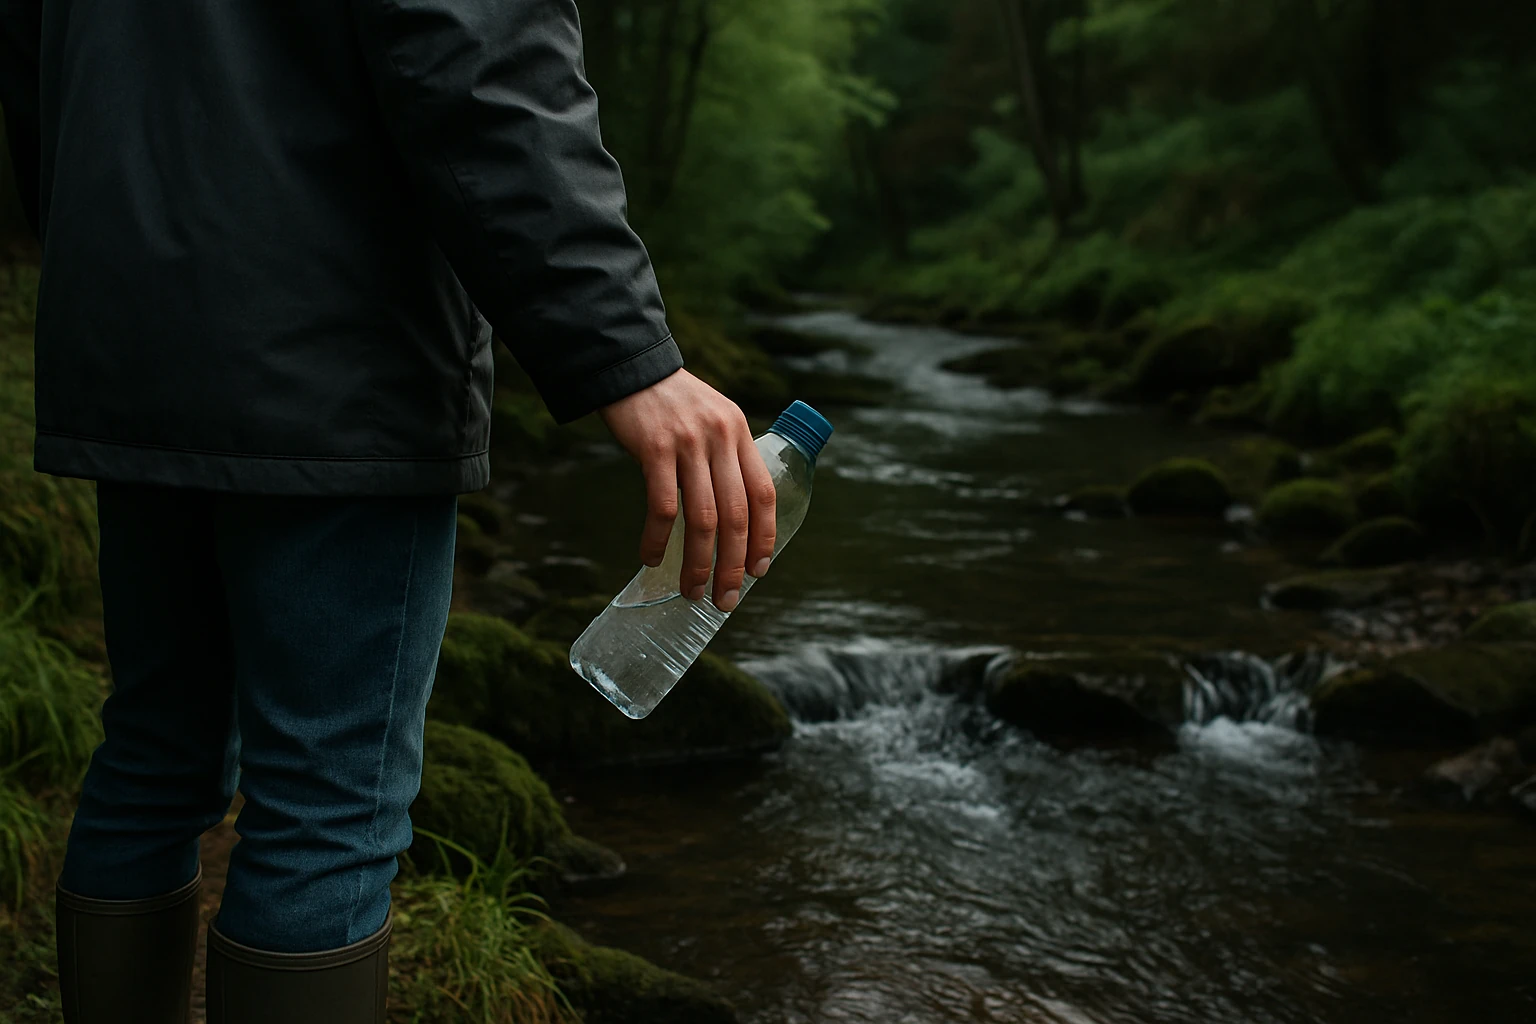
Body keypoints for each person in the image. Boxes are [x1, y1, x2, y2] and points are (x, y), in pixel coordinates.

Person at [0, 0, 777, 1020]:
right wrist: (626, 350)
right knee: (328, 805)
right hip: (338, 361)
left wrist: (109, 247)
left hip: (133, 324)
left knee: (154, 752)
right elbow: (481, 55)